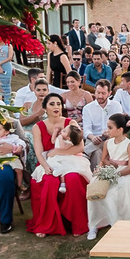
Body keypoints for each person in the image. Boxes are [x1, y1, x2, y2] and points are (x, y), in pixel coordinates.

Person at [25, 93, 90, 237]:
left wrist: (58, 152)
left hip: (71, 161)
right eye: (52, 104)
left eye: (59, 104)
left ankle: (77, 223)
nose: (56, 107)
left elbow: (80, 147)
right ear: (45, 108)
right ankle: (46, 225)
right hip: (47, 162)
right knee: (49, 181)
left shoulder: (71, 123)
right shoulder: (38, 127)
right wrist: (46, 167)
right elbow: (39, 152)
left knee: (73, 179)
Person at [87, 113, 130, 238]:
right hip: (109, 170)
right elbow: (103, 159)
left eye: (110, 128)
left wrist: (116, 174)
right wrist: (103, 167)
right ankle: (94, 223)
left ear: (120, 129)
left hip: (123, 172)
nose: (107, 130)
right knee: (93, 189)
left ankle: (115, 222)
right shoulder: (108, 143)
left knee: (112, 193)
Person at [0, 40, 13, 105]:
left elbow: (10, 57)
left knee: (6, 84)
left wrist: (0, 63)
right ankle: (0, 100)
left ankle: (8, 101)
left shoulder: (9, 45)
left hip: (6, 65)